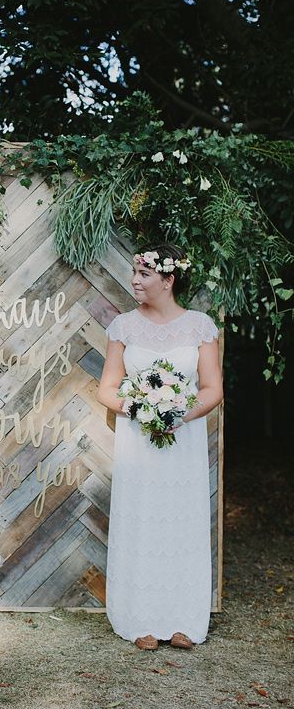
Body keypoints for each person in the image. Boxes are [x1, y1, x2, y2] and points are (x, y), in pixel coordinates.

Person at [97, 244, 223, 650]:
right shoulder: (123, 327)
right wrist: (140, 409)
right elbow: (106, 389)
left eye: (144, 274)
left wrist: (177, 415)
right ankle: (141, 620)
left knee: (182, 524)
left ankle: (184, 619)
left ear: (168, 280)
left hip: (182, 442)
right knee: (142, 523)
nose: (135, 280)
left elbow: (212, 389)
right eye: (135, 272)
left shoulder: (200, 326)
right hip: (138, 443)